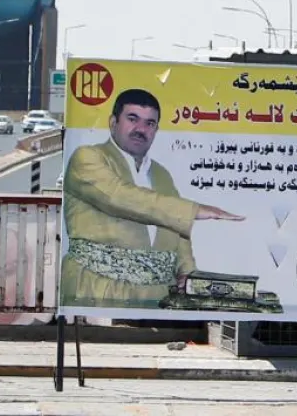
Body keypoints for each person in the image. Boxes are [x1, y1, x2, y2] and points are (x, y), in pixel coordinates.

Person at [61, 88, 244, 307]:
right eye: (132, 119)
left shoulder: (160, 174)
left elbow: (175, 230)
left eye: (150, 123)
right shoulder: (87, 157)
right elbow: (118, 197)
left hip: (156, 295)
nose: (141, 129)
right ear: (113, 122)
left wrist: (187, 272)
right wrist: (194, 210)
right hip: (96, 289)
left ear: (156, 129)